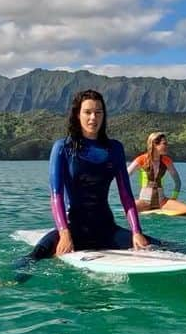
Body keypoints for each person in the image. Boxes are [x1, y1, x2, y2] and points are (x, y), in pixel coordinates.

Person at [31, 89, 151, 259]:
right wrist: (64, 234)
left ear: (104, 115)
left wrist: (136, 232)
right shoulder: (63, 148)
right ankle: (3, 282)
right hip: (74, 230)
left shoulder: (115, 149)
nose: (93, 118)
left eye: (98, 112)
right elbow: (56, 195)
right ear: (77, 115)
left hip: (107, 230)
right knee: (34, 257)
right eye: (87, 112)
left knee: (168, 248)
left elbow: (126, 195)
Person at [128, 131, 182, 211]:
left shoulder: (167, 161)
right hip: (144, 202)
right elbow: (124, 177)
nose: (167, 146)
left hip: (163, 202)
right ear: (154, 144)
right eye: (164, 143)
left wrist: (174, 198)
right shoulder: (141, 159)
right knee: (128, 209)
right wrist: (128, 198)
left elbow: (178, 182)